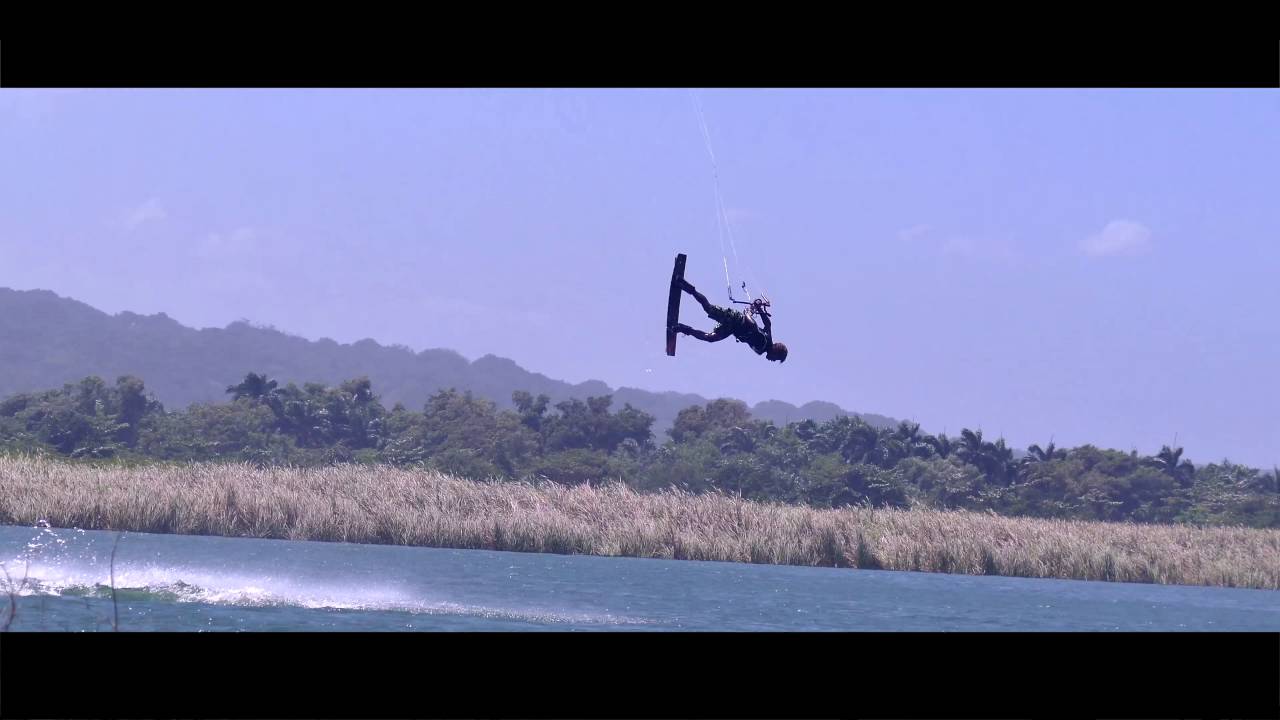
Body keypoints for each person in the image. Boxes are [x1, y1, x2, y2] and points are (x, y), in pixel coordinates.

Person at [671, 279, 788, 362]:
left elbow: (768, 324)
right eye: (776, 358)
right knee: (708, 309)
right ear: (776, 351)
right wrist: (749, 314)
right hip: (735, 320)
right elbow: (754, 327)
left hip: (732, 328)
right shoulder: (763, 343)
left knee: (710, 337)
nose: (773, 360)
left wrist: (758, 309)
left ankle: (682, 328)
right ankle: (684, 285)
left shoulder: (766, 343)